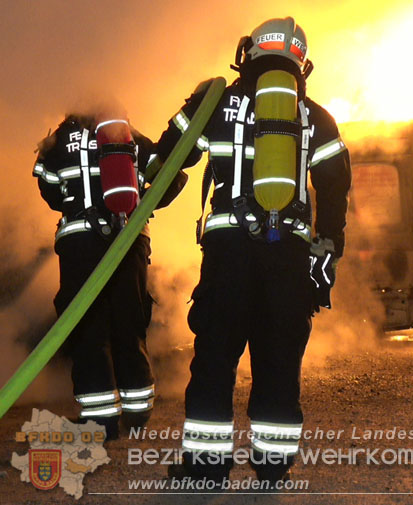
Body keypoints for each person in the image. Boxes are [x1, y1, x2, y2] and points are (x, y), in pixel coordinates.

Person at [156, 17, 351, 483]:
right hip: (288, 261)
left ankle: (204, 471)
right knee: (279, 362)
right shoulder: (316, 116)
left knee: (214, 362)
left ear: (248, 52)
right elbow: (335, 186)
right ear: (301, 61)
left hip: (227, 256)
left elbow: (168, 161)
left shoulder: (216, 103)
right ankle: (272, 468)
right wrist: (326, 251)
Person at [33, 111, 186, 440]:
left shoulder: (58, 141)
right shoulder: (126, 134)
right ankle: (138, 413)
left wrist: (77, 204)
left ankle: (100, 422)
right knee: (130, 325)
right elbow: (171, 176)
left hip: (79, 244)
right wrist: (140, 205)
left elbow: (48, 192)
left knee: (87, 331)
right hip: (129, 242)